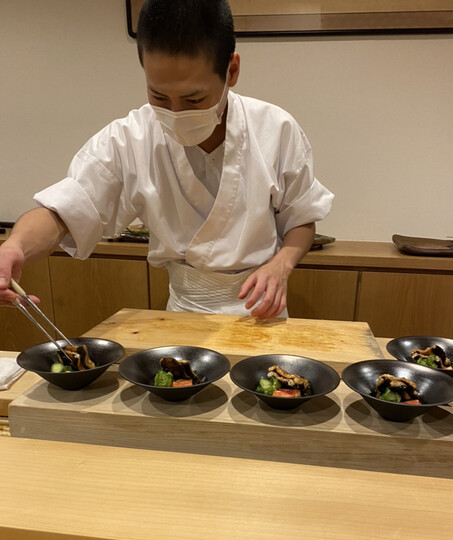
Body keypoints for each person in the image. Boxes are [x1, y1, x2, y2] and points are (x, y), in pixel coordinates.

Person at [0, 0, 333, 319]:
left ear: (231, 71)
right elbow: (62, 211)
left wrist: (282, 264)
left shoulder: (276, 129)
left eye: (194, 99)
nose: (175, 113)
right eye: (158, 96)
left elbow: (300, 218)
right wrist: (14, 247)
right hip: (184, 314)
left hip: (263, 310)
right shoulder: (130, 138)